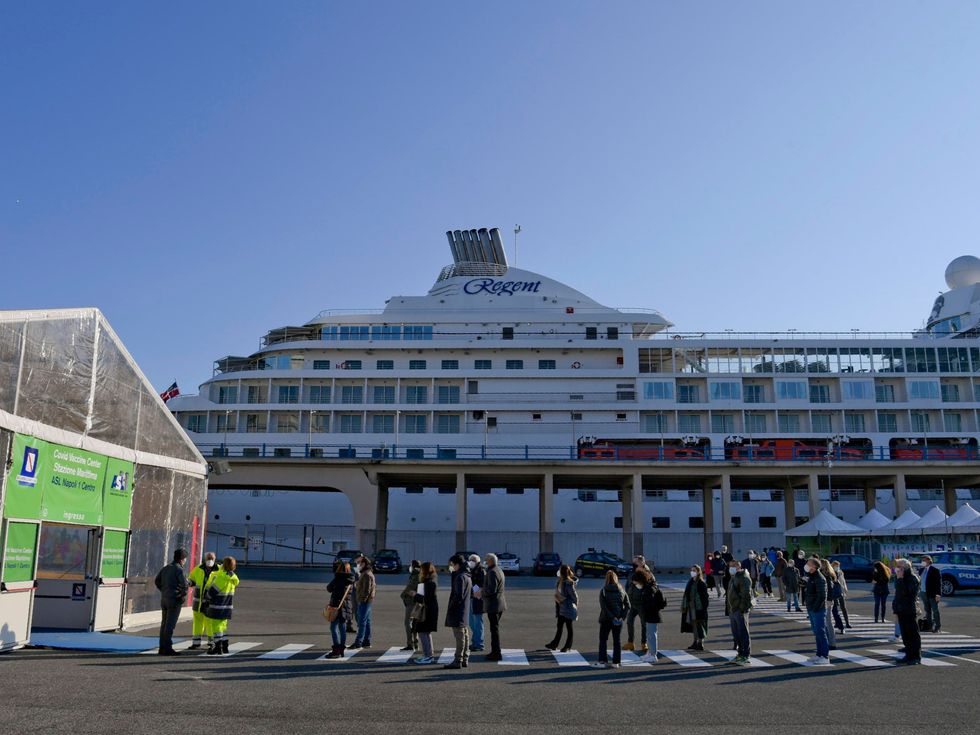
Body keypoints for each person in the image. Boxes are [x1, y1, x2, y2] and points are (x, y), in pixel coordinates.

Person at [202, 556, 240, 655]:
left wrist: (206, 597)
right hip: (227, 606)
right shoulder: (233, 578)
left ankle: (218, 647)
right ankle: (225, 645)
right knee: (223, 626)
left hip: (217, 606)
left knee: (216, 627)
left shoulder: (222, 577)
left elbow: (212, 592)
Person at [155, 548, 189, 655]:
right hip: (174, 600)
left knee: (164, 624)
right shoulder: (179, 570)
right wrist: (181, 596)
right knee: (170, 625)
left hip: (165, 599)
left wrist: (164, 590)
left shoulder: (166, 568)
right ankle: (168, 648)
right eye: (185, 558)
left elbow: (157, 581)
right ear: (182, 559)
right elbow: (185, 585)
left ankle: (162, 647)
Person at [593, 570, 629, 669]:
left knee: (603, 640)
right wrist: (621, 616)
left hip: (606, 619)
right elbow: (628, 605)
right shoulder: (621, 590)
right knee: (617, 641)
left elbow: (604, 607)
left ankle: (603, 661)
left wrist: (612, 617)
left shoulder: (604, 590)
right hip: (619, 618)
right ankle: (616, 662)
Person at [443, 554, 472, 669]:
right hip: (464, 610)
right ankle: (465, 658)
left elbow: (458, 596)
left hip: (458, 610)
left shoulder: (460, 577)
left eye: (452, 564)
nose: (451, 567)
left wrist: (451, 607)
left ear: (457, 564)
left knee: (459, 636)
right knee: (464, 634)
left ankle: (458, 659)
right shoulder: (467, 575)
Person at [803, 557, 832, 665]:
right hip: (812, 608)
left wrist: (815, 608)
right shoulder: (812, 576)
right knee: (816, 632)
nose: (806, 564)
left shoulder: (820, 578)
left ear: (814, 566)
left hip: (818, 609)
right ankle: (819, 654)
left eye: (808, 563)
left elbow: (822, 596)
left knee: (821, 632)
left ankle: (825, 656)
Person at [186, 551, 218, 649]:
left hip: (210, 602)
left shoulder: (219, 570)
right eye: (208, 559)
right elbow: (191, 580)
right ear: (205, 559)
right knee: (197, 622)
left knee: (210, 623)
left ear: (215, 559)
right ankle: (196, 642)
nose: (210, 561)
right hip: (198, 602)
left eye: (211, 559)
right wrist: (187, 582)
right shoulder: (198, 569)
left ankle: (212, 642)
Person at [893, 558, 921, 665]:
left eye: (899, 567)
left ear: (905, 568)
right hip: (901, 609)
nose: (897, 569)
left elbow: (907, 593)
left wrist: (900, 579)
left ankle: (916, 656)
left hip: (909, 609)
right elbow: (897, 594)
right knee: (905, 635)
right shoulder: (900, 577)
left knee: (913, 634)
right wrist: (895, 608)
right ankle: (908, 655)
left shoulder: (912, 578)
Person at [724, 559, 753, 665]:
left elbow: (746, 595)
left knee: (743, 633)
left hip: (740, 610)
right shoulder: (734, 577)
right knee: (736, 634)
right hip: (733, 610)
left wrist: (741, 609)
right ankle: (740, 654)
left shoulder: (744, 577)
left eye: (731, 566)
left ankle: (745, 655)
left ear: (737, 566)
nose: (729, 569)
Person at [546, 564, 579, 652]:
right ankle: (554, 644)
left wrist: (575, 606)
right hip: (561, 607)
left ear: (562, 572)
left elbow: (574, 596)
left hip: (567, 608)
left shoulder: (568, 583)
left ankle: (567, 646)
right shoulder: (560, 581)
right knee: (559, 626)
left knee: (569, 627)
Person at [325, 561, 355, 658]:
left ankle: (336, 650)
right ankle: (341, 649)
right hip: (347, 607)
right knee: (342, 628)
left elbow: (329, 588)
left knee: (333, 628)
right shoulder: (351, 579)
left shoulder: (338, 578)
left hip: (336, 607)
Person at [413, 561, 439, 664]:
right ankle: (428, 654)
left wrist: (415, 595)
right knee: (425, 633)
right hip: (429, 610)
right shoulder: (430, 581)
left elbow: (425, 599)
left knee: (423, 632)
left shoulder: (429, 583)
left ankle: (428, 655)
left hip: (427, 611)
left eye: (421, 570)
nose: (420, 572)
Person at [483, 553, 507, 662]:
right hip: (499, 604)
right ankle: (495, 651)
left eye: (486, 560)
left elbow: (491, 590)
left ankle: (496, 653)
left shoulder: (492, 572)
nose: (485, 562)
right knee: (494, 629)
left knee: (494, 630)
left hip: (494, 605)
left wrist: (481, 592)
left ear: (490, 561)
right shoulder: (499, 570)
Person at [638, 570, 666, 663]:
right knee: (649, 635)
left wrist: (645, 610)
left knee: (652, 635)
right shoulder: (651, 587)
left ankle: (653, 654)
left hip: (652, 615)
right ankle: (650, 653)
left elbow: (650, 603)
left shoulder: (650, 588)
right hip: (651, 615)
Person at [350, 556, 376, 649]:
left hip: (364, 601)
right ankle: (366, 641)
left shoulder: (366, 574)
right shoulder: (366, 573)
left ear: (364, 564)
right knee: (367, 622)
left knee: (362, 622)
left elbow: (367, 590)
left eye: (359, 563)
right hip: (367, 601)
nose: (358, 565)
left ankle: (358, 642)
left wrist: (362, 601)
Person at [681, 564, 709, 651]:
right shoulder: (691, 581)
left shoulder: (701, 583)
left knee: (699, 625)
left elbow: (705, 598)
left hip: (698, 607)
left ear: (698, 572)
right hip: (691, 605)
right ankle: (695, 642)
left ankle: (700, 643)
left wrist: (704, 609)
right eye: (691, 570)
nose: (692, 572)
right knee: (694, 625)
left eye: (694, 571)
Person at [624, 569, 648, 653]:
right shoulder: (632, 585)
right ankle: (631, 642)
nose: (633, 582)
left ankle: (644, 643)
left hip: (642, 607)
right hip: (633, 606)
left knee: (644, 625)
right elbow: (628, 593)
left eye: (635, 581)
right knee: (629, 622)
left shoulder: (646, 586)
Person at [400, 560, 421, 651]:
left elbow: (410, 587)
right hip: (418, 602)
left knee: (408, 622)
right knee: (415, 623)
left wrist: (402, 595)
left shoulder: (415, 576)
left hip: (412, 602)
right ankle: (415, 642)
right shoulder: (419, 574)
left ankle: (410, 643)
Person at [818, 559, 838, 650]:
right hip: (827, 600)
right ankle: (829, 642)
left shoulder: (826, 575)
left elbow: (829, 589)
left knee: (828, 622)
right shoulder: (827, 574)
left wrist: (828, 600)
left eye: (820, 564)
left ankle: (832, 643)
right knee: (826, 622)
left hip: (827, 601)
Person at [468, 554, 486, 653]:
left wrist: (473, 587)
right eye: (470, 560)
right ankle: (475, 641)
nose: (471, 561)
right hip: (471, 597)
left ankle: (479, 643)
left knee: (478, 622)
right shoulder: (471, 570)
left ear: (477, 561)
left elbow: (480, 585)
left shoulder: (481, 571)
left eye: (473, 560)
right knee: (471, 622)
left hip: (478, 598)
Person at [920, 555, 942, 633]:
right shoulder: (921, 570)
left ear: (929, 561)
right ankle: (930, 626)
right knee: (927, 610)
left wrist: (938, 594)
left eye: (924, 560)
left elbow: (938, 584)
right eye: (922, 560)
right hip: (923, 593)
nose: (922, 562)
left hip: (932, 593)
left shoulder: (935, 570)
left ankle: (938, 626)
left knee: (935, 610)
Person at [830, 560, 852, 631]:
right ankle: (837, 622)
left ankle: (847, 622)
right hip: (835, 592)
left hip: (841, 592)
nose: (837, 567)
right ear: (832, 566)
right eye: (836, 566)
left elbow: (843, 581)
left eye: (838, 566)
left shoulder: (841, 572)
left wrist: (845, 588)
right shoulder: (831, 573)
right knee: (835, 608)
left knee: (843, 608)